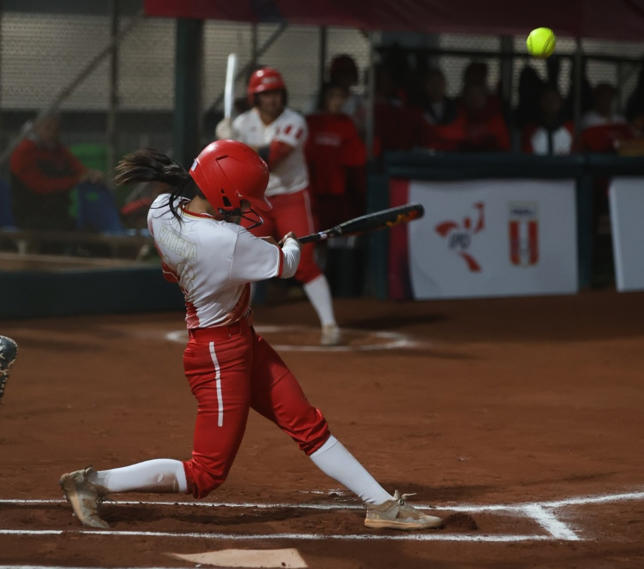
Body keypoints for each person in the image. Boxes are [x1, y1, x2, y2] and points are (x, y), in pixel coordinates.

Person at [58, 139, 443, 532]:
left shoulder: (161, 210)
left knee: (306, 423)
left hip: (239, 341)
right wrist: (290, 242)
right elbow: (287, 264)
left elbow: (232, 239)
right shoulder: (227, 243)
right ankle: (92, 483)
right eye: (241, 200)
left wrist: (261, 247)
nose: (244, 208)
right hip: (219, 357)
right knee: (206, 473)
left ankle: (379, 503)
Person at [216, 67, 342, 346]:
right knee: (246, 262)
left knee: (303, 262)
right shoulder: (242, 123)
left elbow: (270, 158)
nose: (272, 100)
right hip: (257, 202)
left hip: (291, 197)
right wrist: (224, 143)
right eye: (265, 95)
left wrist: (235, 142)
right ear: (255, 98)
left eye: (276, 94)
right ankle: (233, 323)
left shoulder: (294, 122)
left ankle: (330, 324)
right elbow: (228, 165)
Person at [306, 82, 367, 296]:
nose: (337, 102)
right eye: (333, 96)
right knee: (314, 239)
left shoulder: (347, 124)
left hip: (338, 191)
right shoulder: (311, 122)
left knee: (339, 238)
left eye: (341, 97)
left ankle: (340, 288)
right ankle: (310, 288)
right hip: (314, 190)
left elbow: (355, 160)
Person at [9, 113, 104, 231]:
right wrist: (75, 181)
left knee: (92, 229)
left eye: (56, 129)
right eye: (48, 128)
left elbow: (76, 166)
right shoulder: (24, 152)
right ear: (35, 129)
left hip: (56, 213)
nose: (53, 133)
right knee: (80, 232)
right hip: (31, 215)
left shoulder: (56, 149)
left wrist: (90, 174)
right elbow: (41, 185)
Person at [521, 84, 573, 155]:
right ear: (540, 102)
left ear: (561, 102)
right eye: (546, 99)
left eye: (554, 99)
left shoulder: (571, 128)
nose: (550, 103)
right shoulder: (530, 130)